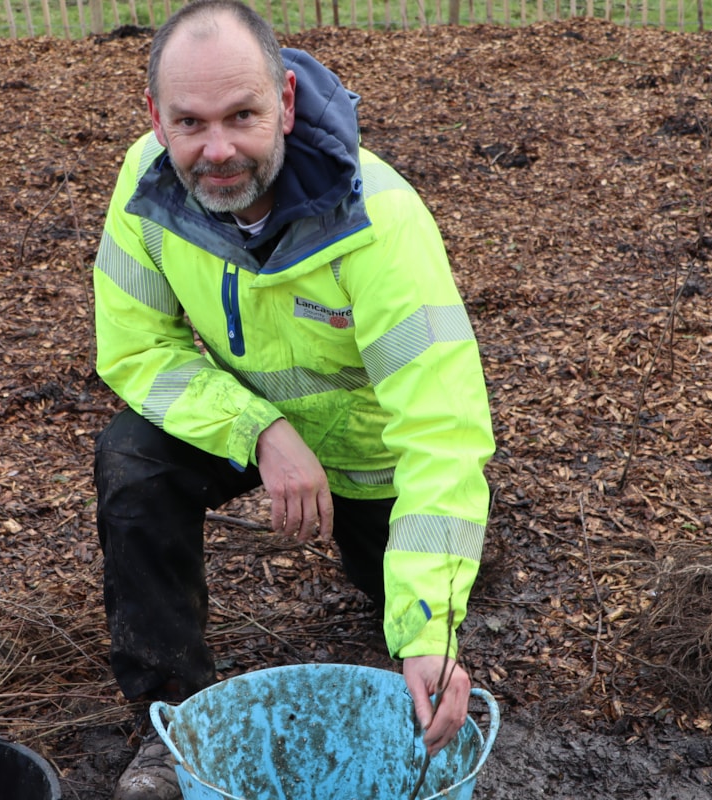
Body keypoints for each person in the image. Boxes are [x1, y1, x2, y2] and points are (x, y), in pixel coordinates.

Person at [91, 2, 495, 797]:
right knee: (132, 460)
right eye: (190, 122)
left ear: (285, 100)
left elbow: (442, 431)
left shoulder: (375, 221)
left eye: (243, 115)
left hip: (371, 456)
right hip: (250, 417)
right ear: (155, 117)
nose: (217, 149)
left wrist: (428, 628)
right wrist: (262, 428)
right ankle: (177, 721)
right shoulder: (148, 191)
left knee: (408, 612)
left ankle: (427, 578)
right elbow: (138, 352)